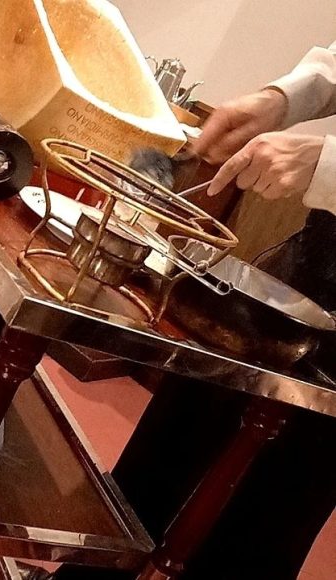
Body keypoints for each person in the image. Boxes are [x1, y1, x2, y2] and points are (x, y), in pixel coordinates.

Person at [25, 41, 336, 580]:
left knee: (274, 500)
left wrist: (328, 162)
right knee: (176, 430)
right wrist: (283, 100)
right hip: (318, 255)